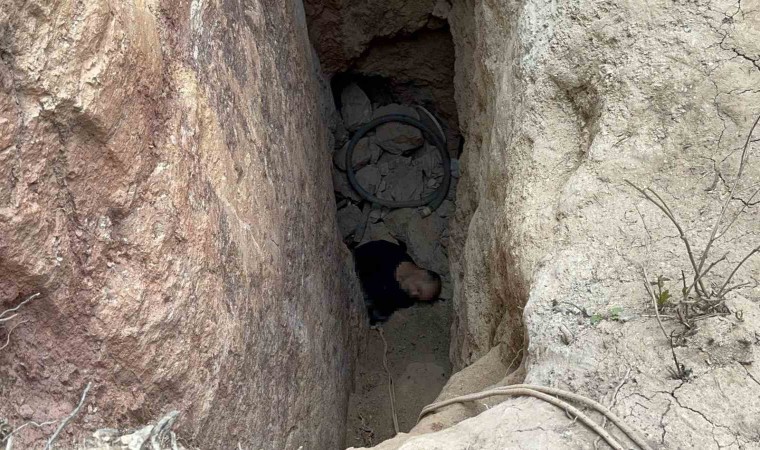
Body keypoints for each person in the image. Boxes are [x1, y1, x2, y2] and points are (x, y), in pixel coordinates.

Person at [353, 239, 442, 325]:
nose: (413, 294)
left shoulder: (403, 300)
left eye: (417, 297)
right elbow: (353, 259)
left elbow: (376, 314)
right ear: (422, 274)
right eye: (418, 290)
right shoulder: (387, 252)